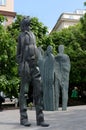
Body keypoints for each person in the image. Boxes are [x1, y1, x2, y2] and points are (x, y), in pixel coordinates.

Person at [16, 16, 49, 127]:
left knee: (39, 90)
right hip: (25, 64)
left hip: (34, 65)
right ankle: (23, 119)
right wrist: (21, 66)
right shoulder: (21, 36)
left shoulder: (33, 34)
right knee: (24, 92)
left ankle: (40, 119)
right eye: (27, 23)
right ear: (24, 24)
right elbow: (18, 53)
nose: (29, 24)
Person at [55, 45, 71, 110]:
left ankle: (58, 107)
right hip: (62, 76)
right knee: (62, 91)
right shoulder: (66, 57)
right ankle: (63, 107)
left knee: (57, 92)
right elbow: (68, 67)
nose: (61, 49)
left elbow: (54, 67)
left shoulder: (56, 57)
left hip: (58, 75)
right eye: (60, 48)